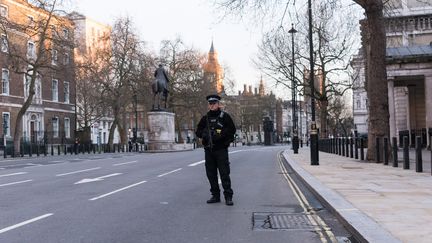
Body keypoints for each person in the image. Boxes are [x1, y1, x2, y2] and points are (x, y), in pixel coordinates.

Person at [195, 94, 236, 206]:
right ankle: (215, 195)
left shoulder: (225, 117)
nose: (212, 105)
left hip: (221, 150)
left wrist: (222, 137)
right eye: (210, 104)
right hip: (209, 150)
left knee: (224, 173)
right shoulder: (205, 118)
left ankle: (228, 196)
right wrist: (205, 135)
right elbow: (198, 131)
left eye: (214, 103)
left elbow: (232, 130)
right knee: (211, 174)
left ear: (218, 104)